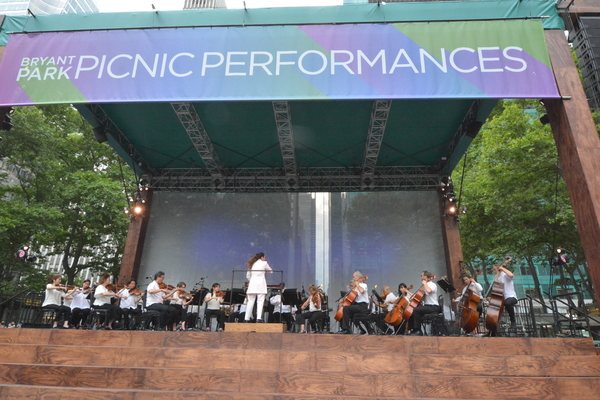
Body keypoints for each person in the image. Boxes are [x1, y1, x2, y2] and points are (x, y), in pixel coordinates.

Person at [244, 252, 273, 323]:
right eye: (265, 257)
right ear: (262, 257)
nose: (265, 259)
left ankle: (246, 318)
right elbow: (270, 271)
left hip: (252, 285)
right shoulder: (264, 263)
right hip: (260, 285)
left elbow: (248, 275)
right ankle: (258, 318)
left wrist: (252, 280)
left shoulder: (252, 264)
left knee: (250, 302)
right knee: (260, 301)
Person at [409, 271, 439, 336]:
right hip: (427, 306)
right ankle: (412, 330)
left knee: (416, 310)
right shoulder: (426, 285)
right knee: (412, 310)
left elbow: (429, 291)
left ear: (426, 277)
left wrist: (425, 284)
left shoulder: (432, 285)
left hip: (433, 307)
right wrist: (415, 298)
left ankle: (418, 331)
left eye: (422, 275)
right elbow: (422, 297)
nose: (421, 277)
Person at [491, 263, 518, 330]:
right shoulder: (497, 278)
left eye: (494, 269)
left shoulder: (505, 275)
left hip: (511, 297)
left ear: (499, 269)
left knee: (507, 303)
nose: (494, 271)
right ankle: (494, 327)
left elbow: (511, 275)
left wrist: (503, 268)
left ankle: (513, 321)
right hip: (501, 298)